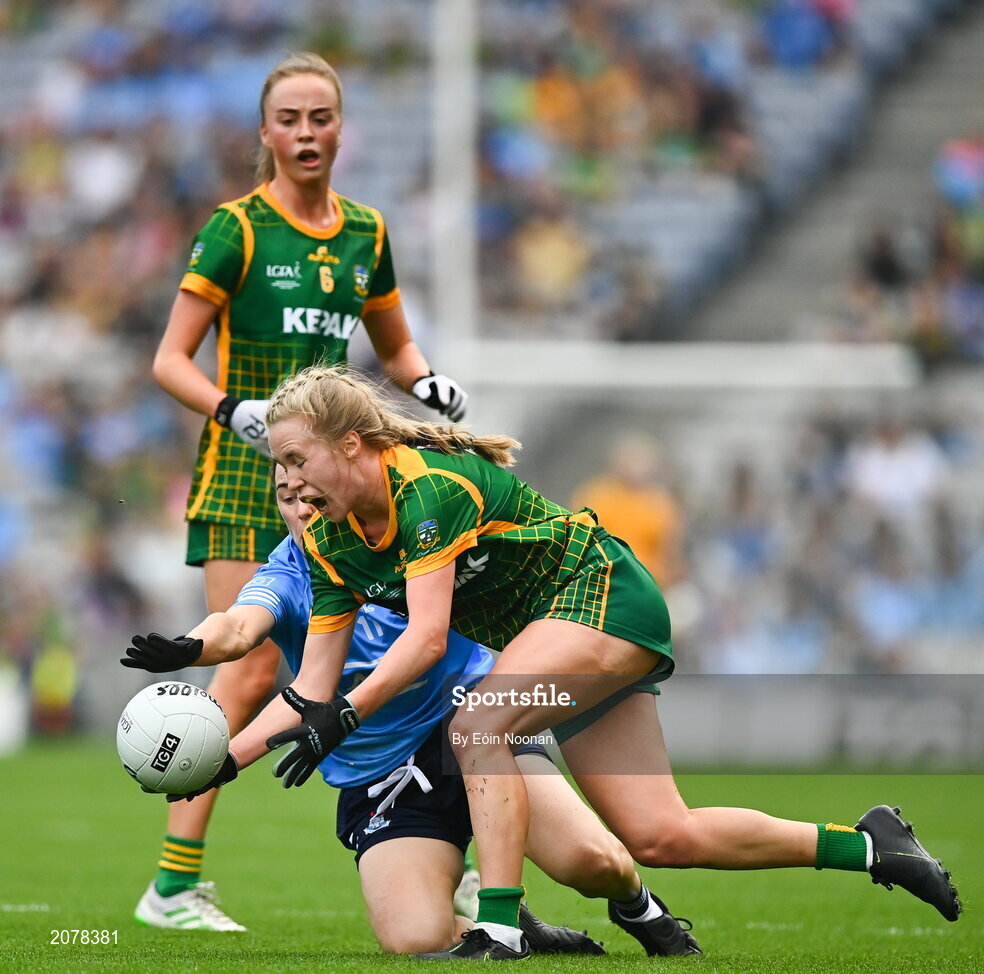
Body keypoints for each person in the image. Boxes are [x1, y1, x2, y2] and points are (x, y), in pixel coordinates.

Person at [187, 364, 961, 961]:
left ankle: (500, 928)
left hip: (603, 600)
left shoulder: (424, 491)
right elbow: (313, 686)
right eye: (278, 466)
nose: (284, 478)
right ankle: (872, 846)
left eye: (295, 457)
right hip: (563, 643)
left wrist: (347, 715)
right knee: (663, 837)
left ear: (350, 446)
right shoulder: (333, 534)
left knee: (479, 721)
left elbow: (424, 643)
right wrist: (220, 762)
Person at [142, 52, 468, 930]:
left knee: (401, 650)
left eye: (320, 116)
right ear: (265, 133)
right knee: (246, 669)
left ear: (340, 126)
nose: (306, 132)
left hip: (345, 482)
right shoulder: (237, 229)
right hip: (248, 482)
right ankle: (173, 885)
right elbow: (168, 359)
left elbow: (396, 350)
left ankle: (445, 837)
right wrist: (232, 409)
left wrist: (427, 384)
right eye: (289, 118)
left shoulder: (365, 230)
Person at [121, 466, 699, 957]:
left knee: (591, 863)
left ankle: (639, 907)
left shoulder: (407, 530)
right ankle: (515, 929)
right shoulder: (290, 571)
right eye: (284, 496)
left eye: (306, 490)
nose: (298, 507)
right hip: (381, 777)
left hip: (470, 724)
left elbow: (427, 641)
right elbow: (239, 625)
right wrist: (193, 648)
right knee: (414, 938)